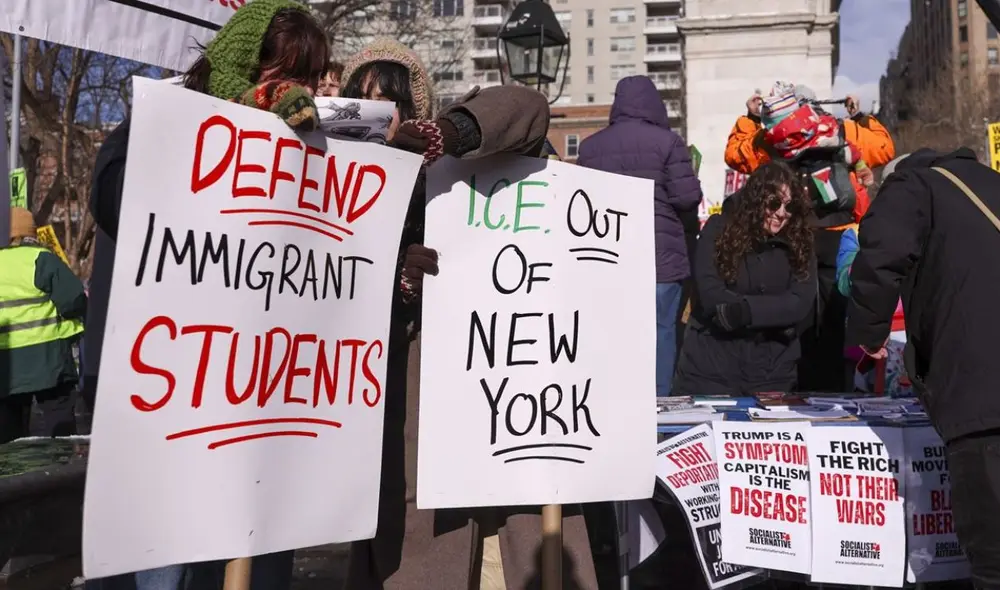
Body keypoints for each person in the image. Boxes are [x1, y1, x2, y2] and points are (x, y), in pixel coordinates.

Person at [338, 38, 600, 590]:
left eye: (394, 105)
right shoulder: (335, 191)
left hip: (506, 387)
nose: (383, 122)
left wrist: (446, 138)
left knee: (510, 547)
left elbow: (527, 107)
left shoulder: (455, 162)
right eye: (363, 105)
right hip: (405, 414)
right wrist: (397, 283)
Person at [85, 1, 327, 588]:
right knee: (163, 570)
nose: (297, 91)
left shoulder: (301, 148)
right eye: (285, 74)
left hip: (257, 401)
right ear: (247, 64)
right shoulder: (163, 117)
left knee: (258, 559)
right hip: (165, 400)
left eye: (308, 79)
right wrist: (221, 140)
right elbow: (113, 197)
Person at [845, 147, 1000, 587]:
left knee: (994, 559)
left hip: (982, 403)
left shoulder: (915, 185)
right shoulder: (989, 185)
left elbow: (878, 257)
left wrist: (869, 334)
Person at [725, 85, 896, 392]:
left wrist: (750, 118)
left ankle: (798, 385)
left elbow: (737, 157)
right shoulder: (841, 129)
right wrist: (859, 115)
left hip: (793, 235)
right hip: (841, 234)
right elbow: (884, 149)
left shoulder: (772, 138)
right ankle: (842, 385)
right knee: (840, 314)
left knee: (795, 313)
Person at [576, 75, 702, 397]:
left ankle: (613, 403)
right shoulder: (668, 142)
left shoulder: (590, 149)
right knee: (661, 334)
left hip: (608, 260)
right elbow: (687, 198)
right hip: (660, 260)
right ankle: (657, 407)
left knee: (614, 336)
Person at [673, 162, 817, 394]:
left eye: (789, 207)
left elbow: (800, 301)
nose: (781, 213)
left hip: (773, 371)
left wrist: (745, 312)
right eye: (774, 203)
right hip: (711, 368)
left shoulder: (800, 241)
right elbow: (710, 293)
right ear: (756, 201)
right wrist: (774, 316)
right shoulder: (718, 228)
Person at [0, 207, 84, 443]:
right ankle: (63, 473)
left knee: (8, 437)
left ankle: (14, 476)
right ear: (29, 233)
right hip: (50, 362)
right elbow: (74, 298)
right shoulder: (40, 258)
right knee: (61, 427)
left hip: (6, 367)